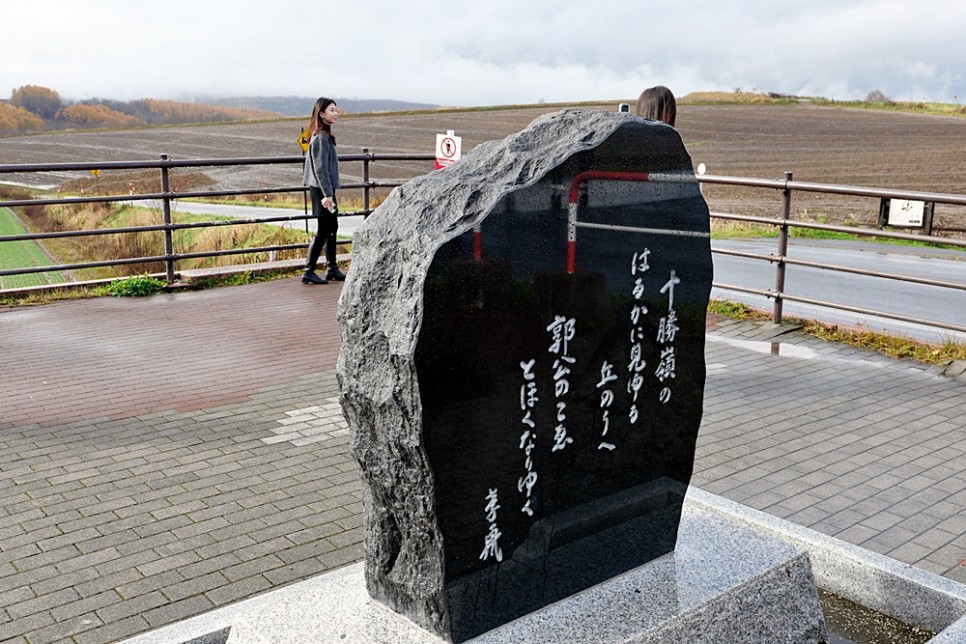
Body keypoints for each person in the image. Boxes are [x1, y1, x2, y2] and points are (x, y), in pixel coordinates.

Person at [301, 97, 346, 284]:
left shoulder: (324, 136)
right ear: (321, 114)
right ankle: (308, 270)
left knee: (332, 227)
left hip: (324, 189)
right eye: (332, 110)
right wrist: (327, 195)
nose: (336, 114)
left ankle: (332, 268)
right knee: (323, 229)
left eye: (336, 110)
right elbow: (320, 169)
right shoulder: (320, 138)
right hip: (321, 190)